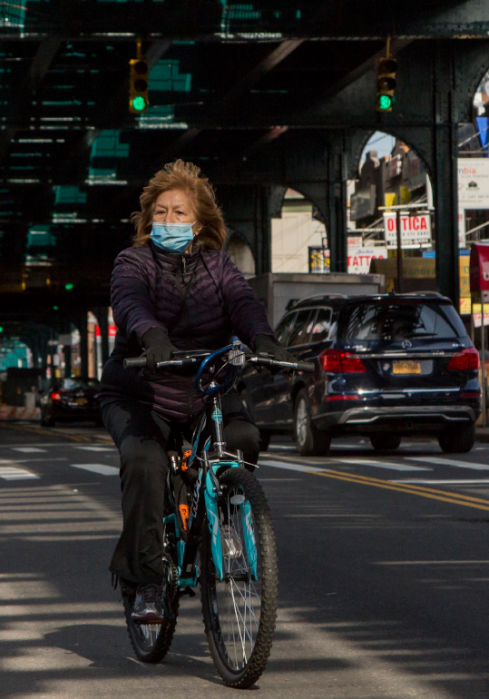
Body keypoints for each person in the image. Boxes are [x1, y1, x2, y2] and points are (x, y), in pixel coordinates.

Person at [99, 160, 296, 624]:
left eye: (179, 213)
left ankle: (224, 515)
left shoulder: (218, 264)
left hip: (204, 382)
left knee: (244, 437)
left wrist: (263, 338)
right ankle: (146, 582)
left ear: (200, 222)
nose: (169, 221)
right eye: (161, 213)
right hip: (141, 389)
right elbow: (129, 300)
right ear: (149, 221)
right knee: (145, 464)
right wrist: (151, 337)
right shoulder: (133, 262)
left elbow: (243, 303)